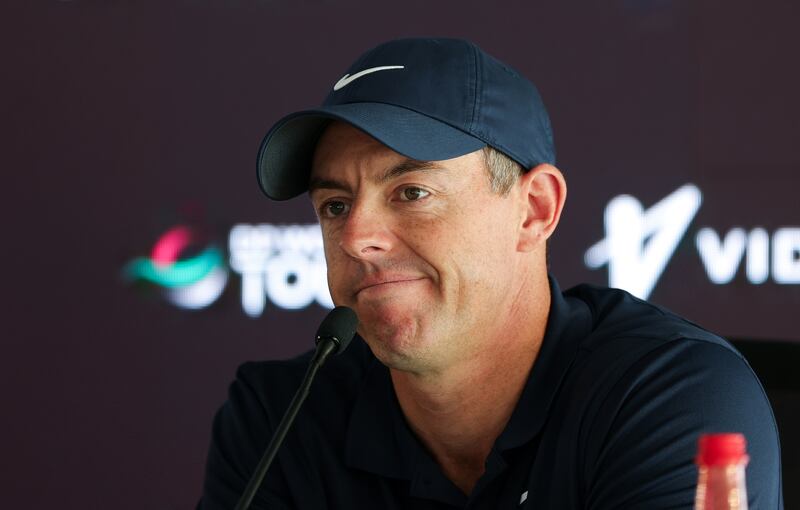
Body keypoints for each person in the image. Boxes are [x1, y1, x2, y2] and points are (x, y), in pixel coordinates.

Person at [198, 38, 782, 509]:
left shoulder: (669, 396)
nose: (355, 238)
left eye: (412, 191)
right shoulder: (279, 421)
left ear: (534, 211)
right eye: (335, 206)